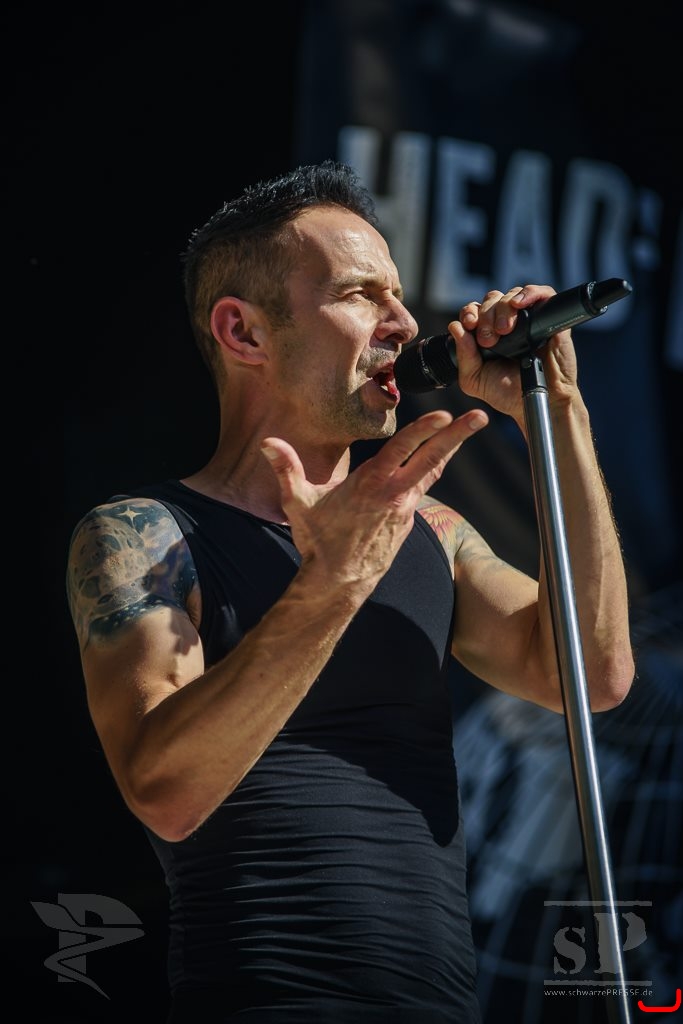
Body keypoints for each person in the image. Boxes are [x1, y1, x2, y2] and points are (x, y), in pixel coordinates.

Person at [65, 160, 634, 1023]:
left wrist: (557, 412)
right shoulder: (144, 535)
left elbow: (590, 674)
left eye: (398, 296)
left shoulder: (432, 532)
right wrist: (333, 582)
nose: (403, 324)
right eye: (362, 295)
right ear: (243, 331)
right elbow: (166, 791)